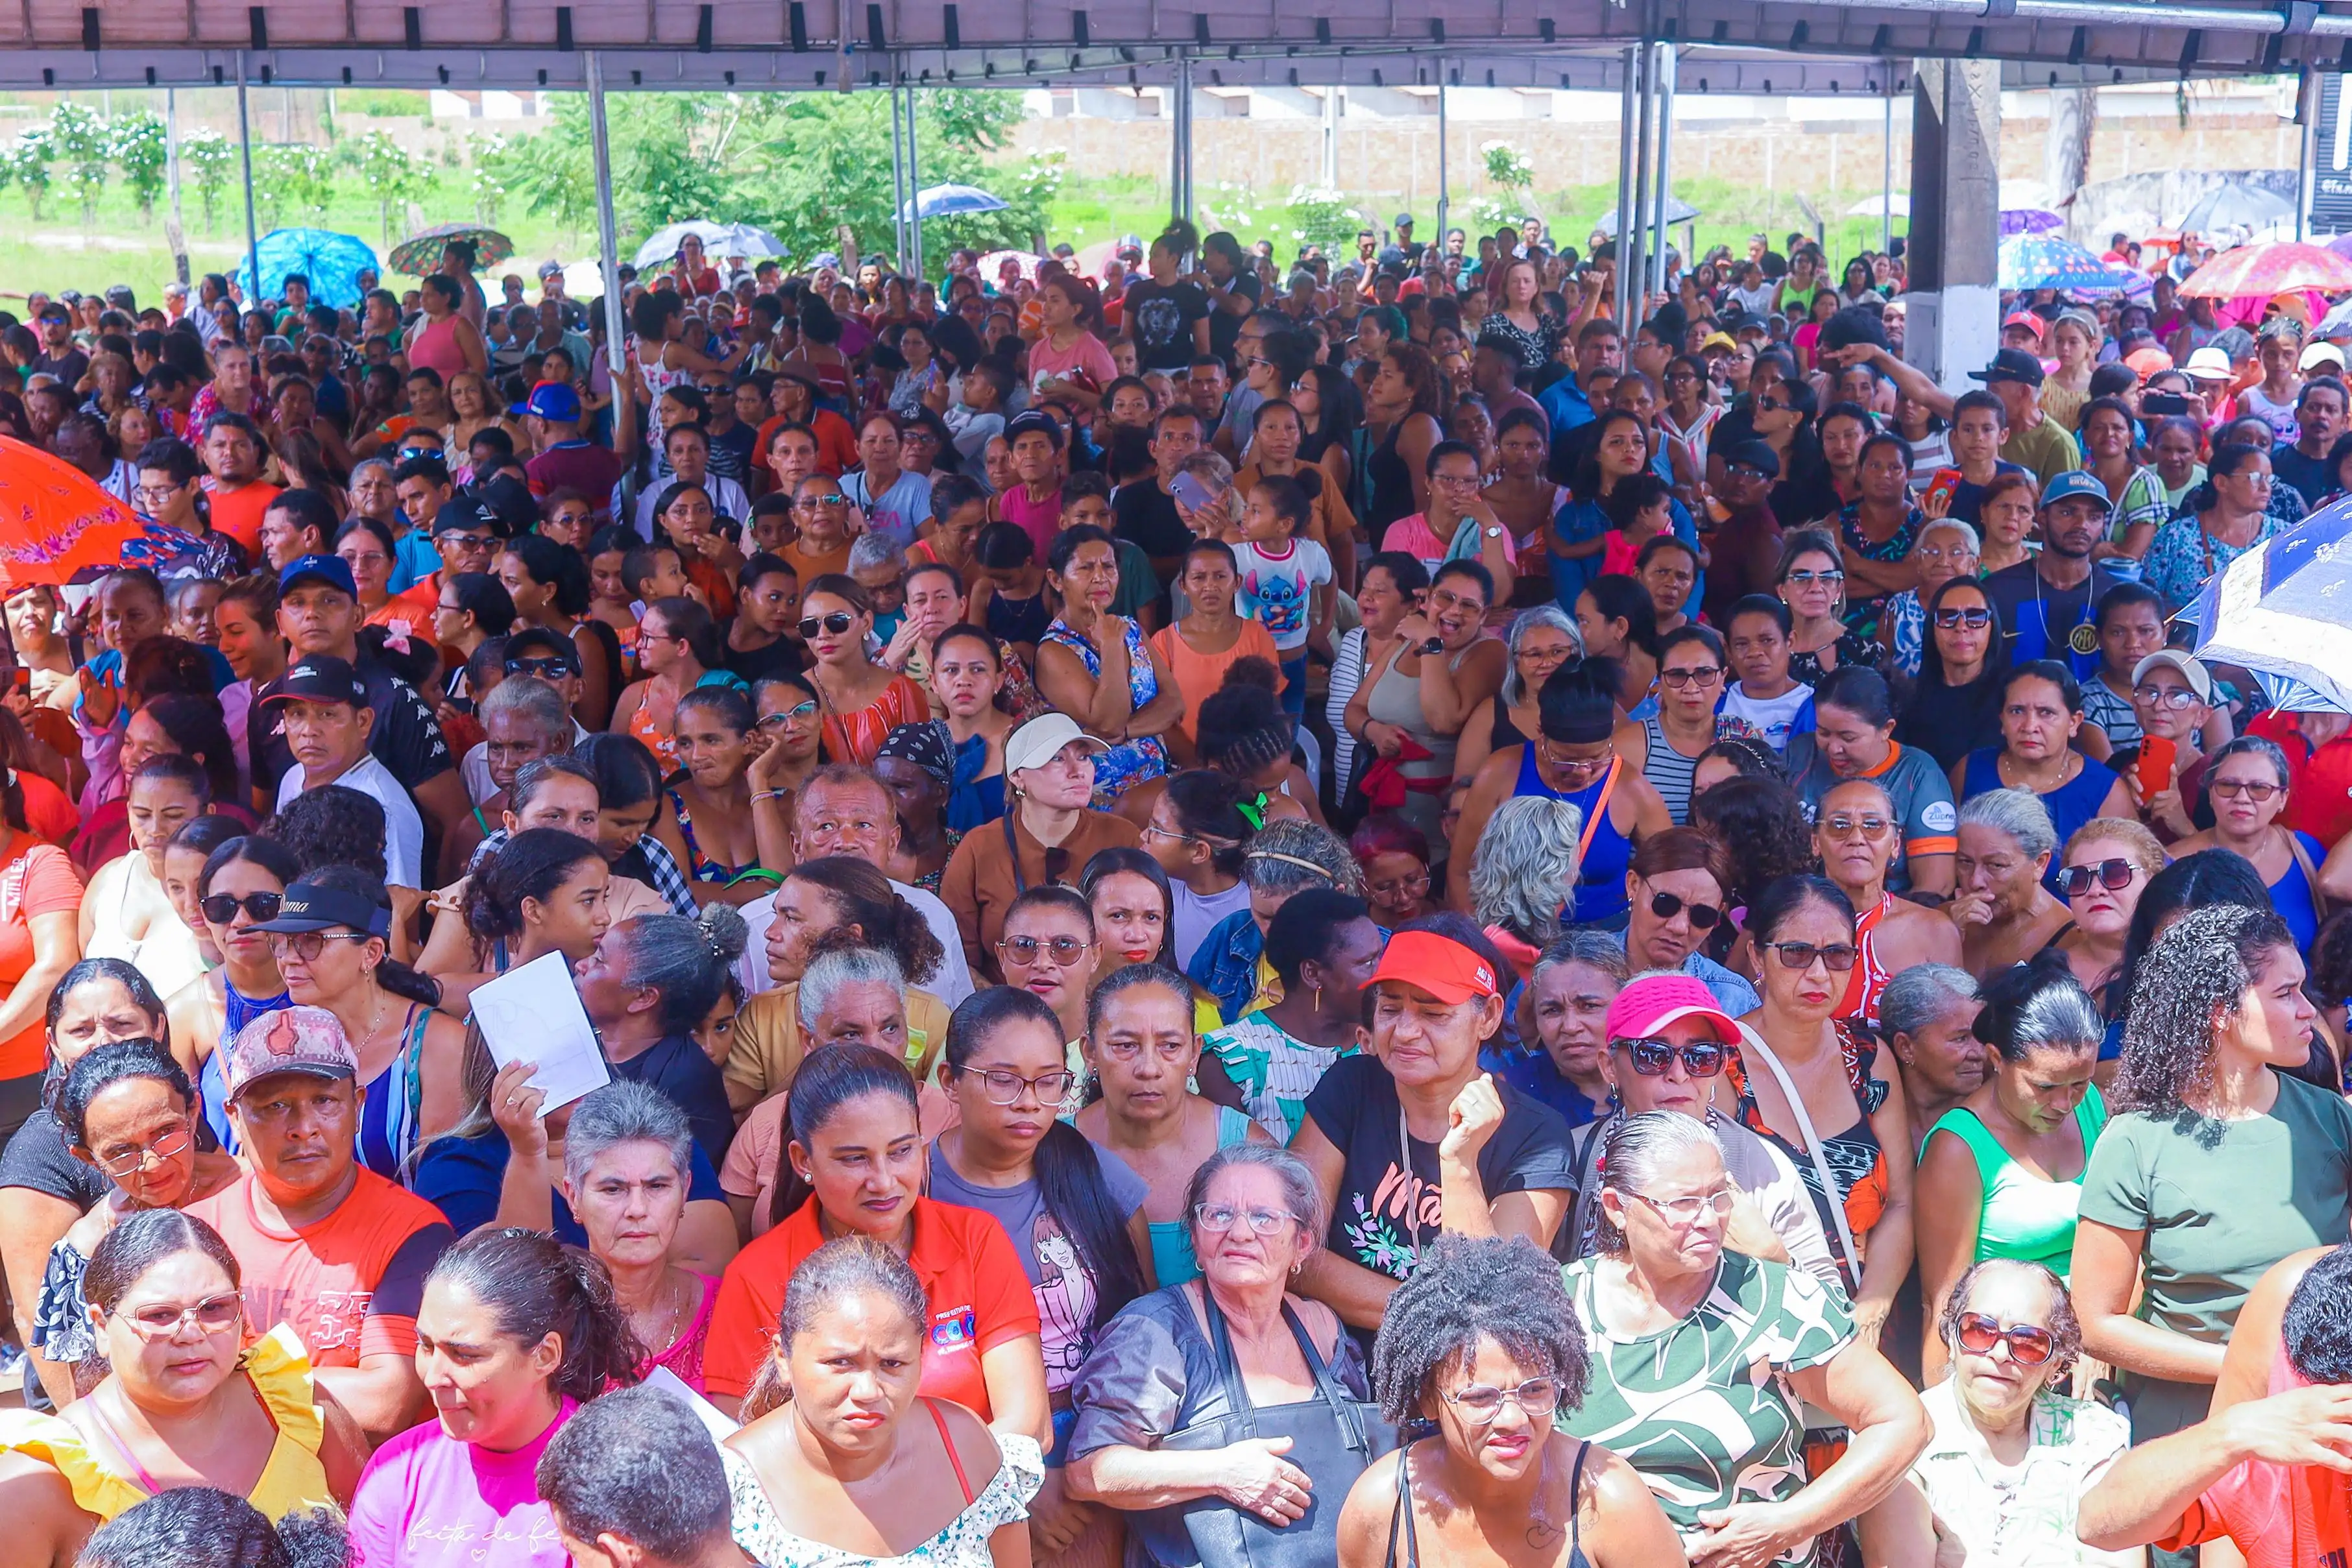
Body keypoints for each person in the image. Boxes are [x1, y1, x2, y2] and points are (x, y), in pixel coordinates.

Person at [1559, 1113, 1930, 1567]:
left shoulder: (1775, 1298)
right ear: (1617, 1206)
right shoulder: (1560, 1305)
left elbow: (1902, 1422)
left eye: (1719, 1195)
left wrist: (1790, 1522)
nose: (1708, 1218)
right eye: (1682, 1202)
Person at [2075, 901, 2352, 1458]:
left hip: (2316, 1422)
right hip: (2188, 1431)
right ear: (2219, 1011)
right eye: (2284, 993)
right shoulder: (2133, 1140)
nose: (2309, 1012)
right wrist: (2244, 1367)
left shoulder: (2332, 1118)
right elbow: (2097, 1323)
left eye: (2303, 990)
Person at [702, 1044, 1049, 1434]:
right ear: (803, 1161)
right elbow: (743, 1441)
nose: (884, 1181)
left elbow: (1029, 1425)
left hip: (977, 1488)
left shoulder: (975, 1239)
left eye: (901, 1151)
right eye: (854, 1159)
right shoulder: (757, 1276)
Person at [0, 1209, 365, 1567]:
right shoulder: (42, 1478)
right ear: (99, 1326)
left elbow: (378, 1539)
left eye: (215, 1309)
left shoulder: (294, 1401)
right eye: (160, 1316)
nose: (192, 1334)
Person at [1065, 1144, 1376, 1563]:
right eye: (1218, 1214)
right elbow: (1088, 1470)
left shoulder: (1320, 1327)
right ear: (1194, 1237)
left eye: (1264, 1217)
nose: (1241, 1232)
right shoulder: (1156, 1331)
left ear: (1301, 1243)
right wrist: (1221, 1472)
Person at [931, 985, 1152, 1560]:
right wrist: (1022, 1484)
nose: (1029, 1101)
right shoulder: (917, 1186)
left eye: (1049, 1080)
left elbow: (1140, 1322)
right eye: (1002, 1079)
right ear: (950, 1081)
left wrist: (1090, 1462)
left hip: (1096, 1440)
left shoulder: (1088, 1169)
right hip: (963, 1455)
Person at [182, 1006, 456, 1445]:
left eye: (324, 1100)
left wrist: (221, 1378)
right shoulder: (194, 1234)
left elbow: (384, 1401)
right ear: (234, 1116)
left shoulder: (414, 1229)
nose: (303, 1127)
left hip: (362, 1496)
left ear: (357, 1104)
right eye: (275, 1106)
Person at [1292, 917, 1578, 1334]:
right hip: (1340, 1365)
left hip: (1462, 1380)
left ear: (1489, 1016)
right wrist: (1431, 1315)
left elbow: (1492, 1301)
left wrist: (1460, 1162)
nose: (1405, 1032)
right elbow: (1292, 1248)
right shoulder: (1350, 1086)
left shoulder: (1538, 1136)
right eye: (1389, 1009)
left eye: (1433, 1013)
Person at [1335, 1232, 1684, 1568]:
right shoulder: (1384, 1507)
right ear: (1429, 1401)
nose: (1513, 1419)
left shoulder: (1609, 1500)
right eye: (1480, 1397)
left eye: (1534, 1390)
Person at [719, 1233, 1043, 1567]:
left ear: (920, 1357)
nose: (867, 1391)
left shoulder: (965, 1447)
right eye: (841, 1363)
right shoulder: (730, 1497)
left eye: (892, 1364)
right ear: (783, 1357)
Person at [345, 1227, 642, 1568]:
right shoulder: (397, 1469)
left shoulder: (613, 1480)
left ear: (545, 1356)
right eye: (426, 1346)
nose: (434, 1376)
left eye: (465, 1355)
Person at [1556, 974, 1843, 1288]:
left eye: (1701, 1057)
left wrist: (1772, 1256)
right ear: (1609, 1066)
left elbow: (1832, 1301)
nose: (1679, 1075)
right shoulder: (1572, 1155)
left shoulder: (1760, 1167)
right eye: (1653, 1055)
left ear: (1720, 1067)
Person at [1725, 875, 1917, 1327]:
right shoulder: (1718, 1063)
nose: (1817, 974)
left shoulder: (1869, 1057)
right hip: (1758, 1317)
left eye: (1836, 955)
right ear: (1756, 955)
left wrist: (1872, 1307)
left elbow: (1901, 1203)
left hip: (1863, 1318)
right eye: (1795, 953)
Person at [1912, 953, 2107, 1384]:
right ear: (1997, 1058)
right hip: (2006, 1365)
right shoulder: (1957, 1148)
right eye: (2044, 1086)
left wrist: (2100, 1343)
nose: (2064, 1103)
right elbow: (1942, 1303)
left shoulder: (2091, 1104)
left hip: (2095, 1356)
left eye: (2078, 1083)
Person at [1863, 1259, 2135, 1568]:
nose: (2000, 1354)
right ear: (1951, 1338)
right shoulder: (1901, 1438)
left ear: (2056, 1362)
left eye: (2028, 1342)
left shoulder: (2094, 1436)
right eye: (1979, 1330)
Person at [24, 1041, 245, 1406]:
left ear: (194, 1112)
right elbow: (90, 1397)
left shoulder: (260, 1194)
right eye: (121, 1152)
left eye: (166, 1133)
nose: (153, 1164)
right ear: (89, 1159)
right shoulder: (86, 1251)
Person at [260, 867, 463, 1181]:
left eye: (310, 941)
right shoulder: (282, 1038)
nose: (288, 958)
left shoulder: (439, 1045)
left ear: (370, 953)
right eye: (281, 942)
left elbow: (444, 1189)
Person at [1076, 964, 1270, 1292]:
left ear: (1195, 1054)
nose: (1149, 1068)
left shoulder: (1248, 1152)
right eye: (1125, 1046)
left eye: (1170, 1046)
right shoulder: (1052, 1150)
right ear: (1090, 1052)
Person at [1448, 660, 1671, 925]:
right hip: (1511, 935)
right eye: (1566, 761)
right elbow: (1462, 872)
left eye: (1598, 759)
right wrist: (1484, 939)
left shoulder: (1631, 788)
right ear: (1541, 733)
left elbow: (1670, 871)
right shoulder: (1501, 771)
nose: (1583, 772)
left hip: (1605, 940)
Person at [941, 714, 1142, 982]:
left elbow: (1145, 938)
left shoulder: (1122, 838)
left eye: (1083, 757)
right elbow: (957, 958)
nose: (1077, 770)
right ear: (1017, 776)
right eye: (1057, 759)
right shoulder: (979, 847)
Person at [1346, 559, 1507, 850]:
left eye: (1469, 605)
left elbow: (1444, 720)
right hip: (1383, 805)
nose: (1455, 610)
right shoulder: (1404, 641)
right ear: (1429, 597)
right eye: (1446, 597)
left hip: (1439, 821)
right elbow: (1354, 709)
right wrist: (1374, 731)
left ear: (1484, 616)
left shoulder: (1489, 652)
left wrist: (1432, 643)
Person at [1201, 888, 1385, 1140]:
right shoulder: (1234, 1060)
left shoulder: (1385, 1042)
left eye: (1381, 956)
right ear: (1312, 973)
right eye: (1367, 962)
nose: (1383, 973)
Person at [1785, 666, 1958, 899]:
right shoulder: (1800, 754)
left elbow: (1935, 886)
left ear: (1887, 729)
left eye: (1848, 738)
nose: (1834, 749)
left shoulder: (1919, 774)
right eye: (1823, 733)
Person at [1036, 528, 1180, 804]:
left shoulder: (1130, 628)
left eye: (1109, 566)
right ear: (1056, 580)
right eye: (1086, 568)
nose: (1100, 576)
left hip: (1156, 783)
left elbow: (1173, 703)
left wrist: (1126, 731)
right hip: (1100, 798)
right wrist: (1111, 647)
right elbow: (1108, 720)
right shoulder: (1054, 651)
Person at [261, 657, 427, 889]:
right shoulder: (293, 777)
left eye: (327, 715)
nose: (309, 731)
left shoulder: (387, 805)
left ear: (363, 721)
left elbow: (403, 910)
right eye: (297, 714)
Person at [1812, 779, 1964, 1027]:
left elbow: (1952, 1033)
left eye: (1873, 826)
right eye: (1840, 825)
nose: (1857, 839)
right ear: (1816, 842)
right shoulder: (1788, 925)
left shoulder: (1934, 930)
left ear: (1895, 844)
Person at [2169, 736, 2332, 953]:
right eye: (2228, 785)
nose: (2242, 798)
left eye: (2259, 788)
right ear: (2210, 793)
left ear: (2283, 798)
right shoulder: (2173, 864)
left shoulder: (2305, 852)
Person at [1617, 827, 1763, 1018]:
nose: (1679, 927)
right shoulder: (1577, 971)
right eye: (1665, 904)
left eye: (1702, 916)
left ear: (1719, 913)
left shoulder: (1734, 1000)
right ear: (1633, 885)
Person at [2048, 818, 2168, 1046]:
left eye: (2116, 874)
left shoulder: (2183, 966)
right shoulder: (2047, 974)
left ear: (2153, 880)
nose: (2095, 891)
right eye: (2078, 879)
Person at [798, 575, 930, 767]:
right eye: (810, 626)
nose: (823, 635)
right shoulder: (795, 697)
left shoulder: (902, 694)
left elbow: (920, 776)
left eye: (837, 622)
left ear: (866, 622)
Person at [1948, 787, 2077, 981]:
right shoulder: (1942, 921)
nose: (1975, 882)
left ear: (2040, 863)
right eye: (1965, 862)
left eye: (1996, 865)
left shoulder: (2072, 941)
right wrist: (1949, 937)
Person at [1891, 576, 2008, 775]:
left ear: (1992, 626)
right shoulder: (1906, 701)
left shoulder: (2012, 699)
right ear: (1931, 627)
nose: (1961, 627)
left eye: (1976, 617)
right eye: (1948, 617)